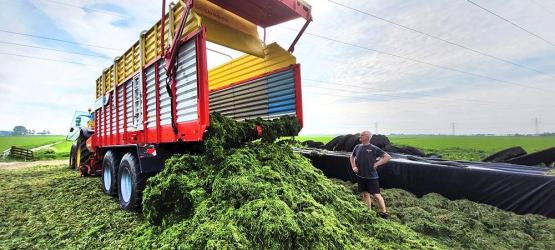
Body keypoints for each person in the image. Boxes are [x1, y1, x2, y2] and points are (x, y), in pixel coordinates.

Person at [350, 130, 391, 219]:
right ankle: (367, 211)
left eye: (362, 135)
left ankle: (384, 213)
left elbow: (387, 157)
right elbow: (352, 156)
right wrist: (354, 166)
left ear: (367, 137)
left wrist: (377, 164)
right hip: (361, 176)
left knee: (376, 195)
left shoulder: (373, 148)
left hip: (371, 176)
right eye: (360, 134)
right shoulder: (357, 147)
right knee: (365, 194)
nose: (360, 136)